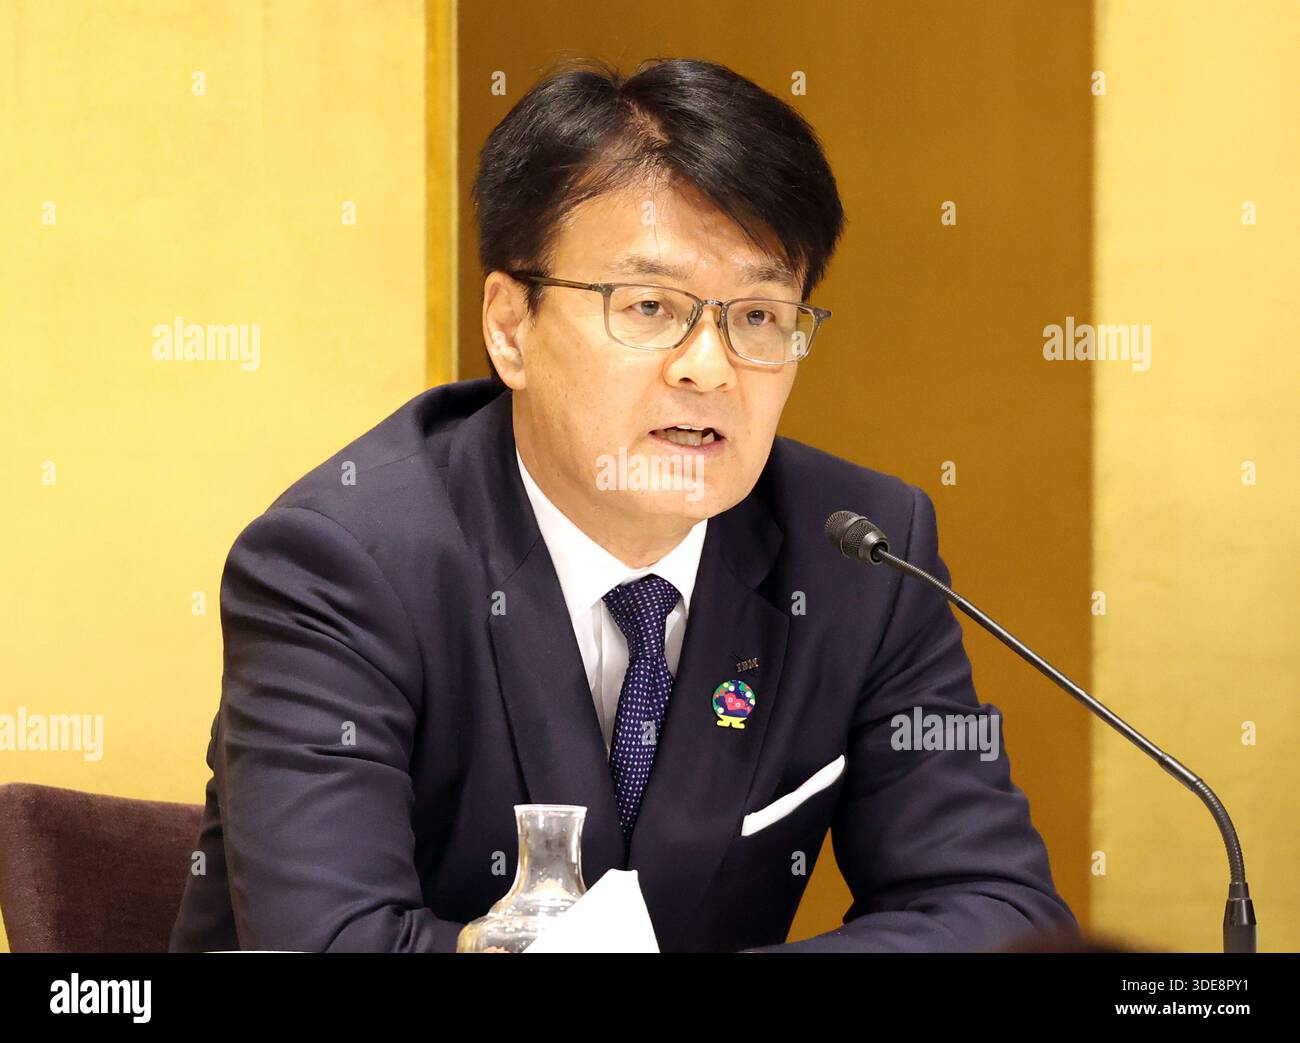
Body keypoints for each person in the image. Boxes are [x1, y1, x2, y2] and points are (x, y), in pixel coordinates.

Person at [170, 56, 1076, 953]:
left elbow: (999, 907)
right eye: (648, 306)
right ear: (508, 326)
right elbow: (328, 940)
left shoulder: (861, 554)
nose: (708, 366)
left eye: (759, 316)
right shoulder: (341, 563)